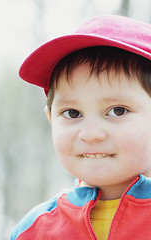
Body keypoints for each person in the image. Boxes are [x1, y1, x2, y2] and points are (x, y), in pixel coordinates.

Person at [11, 15, 151, 240]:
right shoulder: (33, 231)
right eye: (72, 113)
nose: (91, 134)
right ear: (51, 119)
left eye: (118, 110)